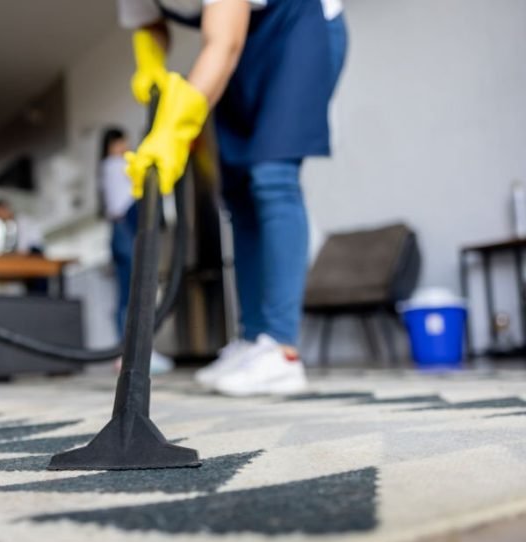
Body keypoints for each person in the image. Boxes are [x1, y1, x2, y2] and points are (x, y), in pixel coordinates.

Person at [118, 0, 348, 396]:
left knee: (272, 177)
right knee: (238, 195)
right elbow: (149, 21)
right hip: (239, 49)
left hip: (296, 27)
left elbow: (223, 44)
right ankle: (254, 341)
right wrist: (150, 63)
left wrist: (176, 130)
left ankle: (281, 350)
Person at [99, 126, 174, 375]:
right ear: (111, 145)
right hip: (126, 231)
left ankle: (128, 353)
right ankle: (135, 354)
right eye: (121, 143)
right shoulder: (116, 165)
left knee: (126, 295)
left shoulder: (106, 168)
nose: (126, 147)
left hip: (119, 233)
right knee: (136, 292)